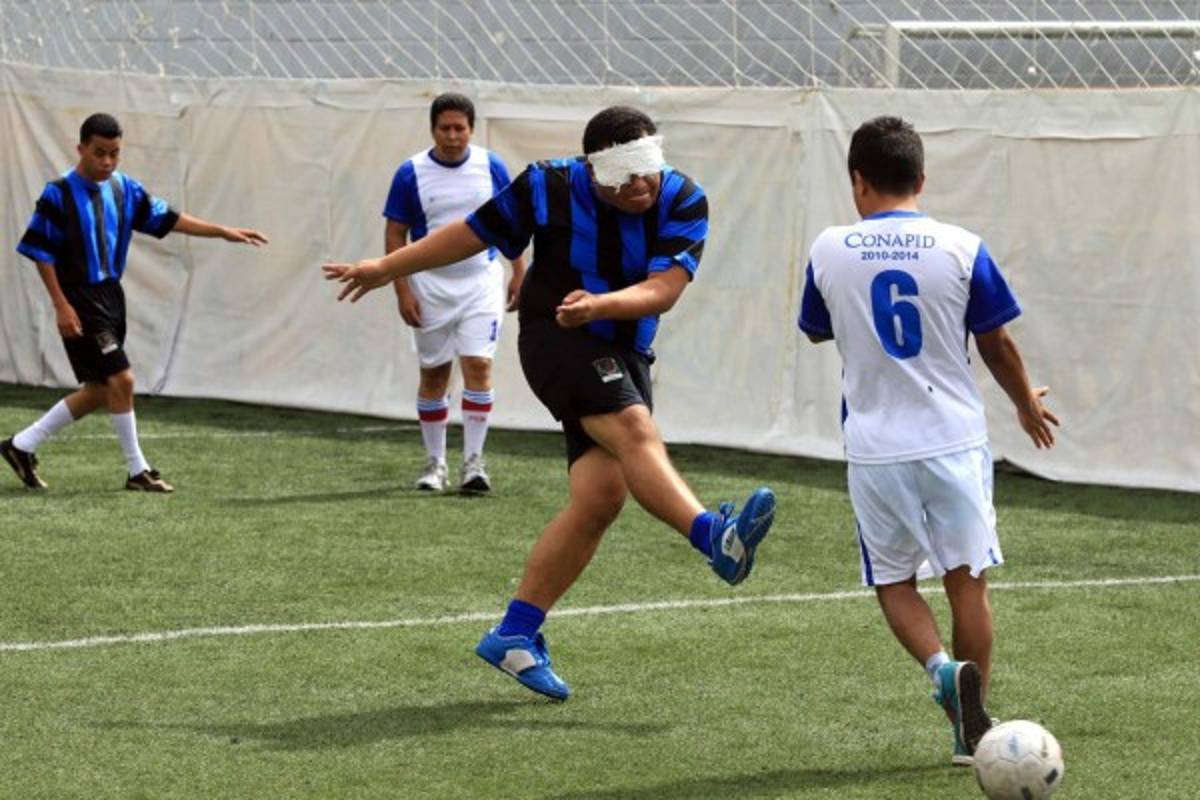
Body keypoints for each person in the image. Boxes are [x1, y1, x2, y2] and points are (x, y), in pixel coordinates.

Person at [325, 105, 776, 700]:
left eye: (649, 172)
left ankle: (514, 634)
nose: (641, 186)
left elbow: (664, 291)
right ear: (594, 172)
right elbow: (473, 233)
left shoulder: (684, 198)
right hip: (556, 333)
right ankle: (714, 537)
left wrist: (601, 305)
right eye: (625, 177)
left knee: (599, 500)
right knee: (637, 431)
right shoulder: (548, 183)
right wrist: (389, 265)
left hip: (620, 341)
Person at [798, 116, 1059, 765]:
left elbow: (815, 328)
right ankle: (973, 732)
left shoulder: (828, 249)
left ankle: (941, 667)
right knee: (966, 582)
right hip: (953, 440)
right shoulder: (963, 247)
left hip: (875, 445)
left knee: (893, 580)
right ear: (921, 178)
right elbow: (996, 340)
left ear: (857, 181)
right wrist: (1026, 403)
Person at [2, 112, 268, 493]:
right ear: (81, 149)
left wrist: (222, 232)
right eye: (99, 153)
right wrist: (61, 304)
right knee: (123, 378)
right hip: (79, 296)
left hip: (111, 296)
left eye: (114, 154)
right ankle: (136, 470)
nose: (107, 162)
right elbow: (39, 251)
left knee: (102, 388)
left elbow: (169, 219)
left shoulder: (125, 188)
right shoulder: (57, 194)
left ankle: (20, 445)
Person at [383, 93, 526, 493]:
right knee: (434, 374)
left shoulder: (490, 166)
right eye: (444, 128)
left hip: (480, 281)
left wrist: (519, 271)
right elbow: (395, 234)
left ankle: (474, 463)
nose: (452, 136)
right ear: (433, 130)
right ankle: (435, 464)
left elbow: (511, 221)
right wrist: (402, 289)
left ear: (471, 129)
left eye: (459, 128)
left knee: (478, 366)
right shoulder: (411, 172)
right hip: (428, 284)